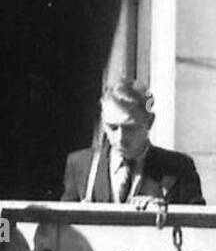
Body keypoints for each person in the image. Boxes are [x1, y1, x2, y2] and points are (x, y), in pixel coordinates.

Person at [60, 80, 205, 207]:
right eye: (112, 127)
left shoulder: (178, 168)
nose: (120, 138)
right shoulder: (81, 165)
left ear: (149, 122)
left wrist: (167, 211)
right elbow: (64, 228)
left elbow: (199, 227)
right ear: (103, 122)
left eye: (130, 128)